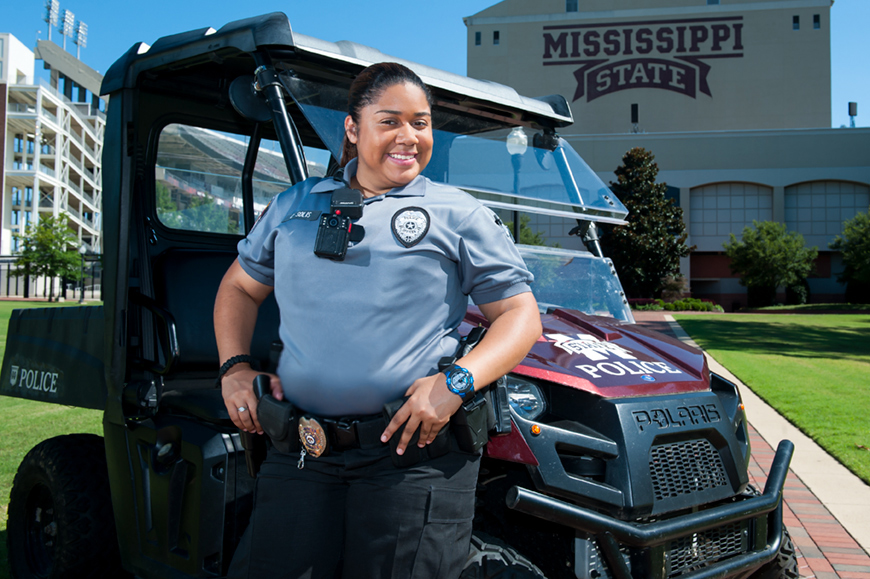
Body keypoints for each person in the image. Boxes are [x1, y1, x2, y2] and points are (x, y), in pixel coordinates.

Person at [215, 62, 542, 579]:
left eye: (421, 122)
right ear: (352, 128)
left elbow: (520, 318)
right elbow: (238, 287)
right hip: (302, 451)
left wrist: (456, 382)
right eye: (389, 121)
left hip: (415, 460)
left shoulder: (458, 213)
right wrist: (234, 366)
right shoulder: (294, 208)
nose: (408, 137)